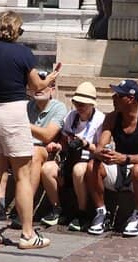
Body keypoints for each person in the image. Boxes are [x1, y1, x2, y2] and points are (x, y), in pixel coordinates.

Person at [0, 12, 60, 249]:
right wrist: (51, 77)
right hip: (13, 112)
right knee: (22, 175)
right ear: (15, 30)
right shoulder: (22, 53)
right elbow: (36, 85)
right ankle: (28, 235)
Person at [86, 78, 138, 238]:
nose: (113, 98)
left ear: (131, 99)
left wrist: (125, 159)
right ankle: (101, 212)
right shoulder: (112, 118)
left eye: (118, 96)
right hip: (120, 165)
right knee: (92, 165)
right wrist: (101, 152)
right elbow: (101, 144)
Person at [40, 80, 104, 231]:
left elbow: (102, 150)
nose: (79, 107)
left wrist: (85, 144)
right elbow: (63, 138)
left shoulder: (100, 120)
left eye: (83, 104)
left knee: (79, 170)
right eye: (77, 103)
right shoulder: (71, 116)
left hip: (88, 161)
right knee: (47, 168)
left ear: (92, 105)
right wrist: (58, 146)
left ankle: (82, 213)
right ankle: (56, 209)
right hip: (69, 159)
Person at [27, 76, 67, 212]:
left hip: (47, 150)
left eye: (44, 86)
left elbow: (47, 136)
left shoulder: (59, 107)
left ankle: (26, 206)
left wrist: (24, 124)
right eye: (36, 85)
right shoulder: (28, 106)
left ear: (52, 90)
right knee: (0, 154)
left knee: (35, 152)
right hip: (24, 147)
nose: (39, 89)